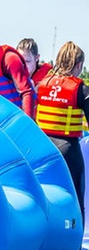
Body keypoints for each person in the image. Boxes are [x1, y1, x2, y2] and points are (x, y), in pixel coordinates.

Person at [35, 41, 88, 223]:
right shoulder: (79, 88)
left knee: (45, 195)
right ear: (79, 64)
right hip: (68, 149)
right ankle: (75, 242)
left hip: (42, 148)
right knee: (75, 196)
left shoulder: (42, 85)